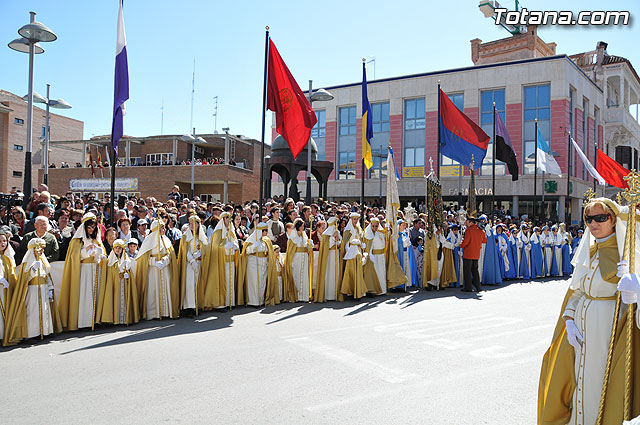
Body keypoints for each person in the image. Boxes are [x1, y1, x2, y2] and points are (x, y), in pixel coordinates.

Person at [538, 198, 640, 424]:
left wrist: (635, 288)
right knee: (577, 379)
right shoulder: (591, 251)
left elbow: (632, 298)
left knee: (596, 381)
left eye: (600, 218)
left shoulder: (628, 253)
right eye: (589, 219)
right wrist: (569, 318)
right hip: (581, 330)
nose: (594, 223)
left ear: (613, 220)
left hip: (605, 329)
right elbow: (578, 290)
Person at [3, 238, 62, 345]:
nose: (42, 251)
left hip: (43, 288)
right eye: (40, 249)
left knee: (44, 310)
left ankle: (44, 331)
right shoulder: (27, 262)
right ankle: (31, 334)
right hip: (32, 291)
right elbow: (24, 279)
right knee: (33, 311)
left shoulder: (43, 261)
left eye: (43, 249)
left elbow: (47, 276)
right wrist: (33, 270)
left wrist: (50, 288)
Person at [135, 220, 179, 320]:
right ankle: (154, 313)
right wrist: (154, 262)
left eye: (164, 227)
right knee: (153, 289)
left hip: (165, 268)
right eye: (162, 228)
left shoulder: (166, 240)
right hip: (153, 270)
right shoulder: (148, 241)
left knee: (166, 287)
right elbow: (142, 258)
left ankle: (166, 312)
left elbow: (170, 254)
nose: (164, 230)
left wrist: (165, 261)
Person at [236, 222, 279, 307]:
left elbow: (268, 251)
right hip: (253, 263)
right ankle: (253, 301)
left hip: (263, 263)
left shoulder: (266, 240)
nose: (266, 232)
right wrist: (253, 247)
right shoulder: (251, 240)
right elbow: (247, 251)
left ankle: (261, 300)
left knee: (262, 282)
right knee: (254, 282)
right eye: (265, 230)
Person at [204, 211, 239, 309]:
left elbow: (235, 240)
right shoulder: (217, 232)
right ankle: (221, 303)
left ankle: (229, 302)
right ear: (223, 220)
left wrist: (235, 245)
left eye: (230, 218)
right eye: (227, 218)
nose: (229, 220)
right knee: (223, 281)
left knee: (230, 280)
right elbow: (215, 247)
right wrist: (224, 247)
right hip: (221, 261)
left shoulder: (231, 231)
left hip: (231, 261)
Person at [102, 239, 139, 325]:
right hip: (115, 284)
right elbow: (112, 271)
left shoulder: (126, 258)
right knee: (116, 298)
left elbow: (128, 267)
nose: (117, 250)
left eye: (119, 248)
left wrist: (126, 272)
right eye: (116, 248)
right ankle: (116, 319)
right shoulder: (110, 260)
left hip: (124, 283)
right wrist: (120, 268)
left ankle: (126, 318)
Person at [178, 215, 209, 316]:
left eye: (193, 224)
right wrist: (191, 260)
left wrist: (200, 253)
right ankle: (189, 307)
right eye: (190, 223)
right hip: (190, 264)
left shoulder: (202, 236)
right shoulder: (186, 236)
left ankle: (197, 305)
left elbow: (205, 247)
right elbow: (184, 249)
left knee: (198, 284)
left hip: (199, 262)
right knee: (190, 284)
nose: (191, 226)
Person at [283, 218, 313, 302]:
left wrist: (310, 244)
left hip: (304, 257)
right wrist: (291, 261)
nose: (303, 228)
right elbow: (290, 250)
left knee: (304, 276)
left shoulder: (304, 235)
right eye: (301, 226)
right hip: (296, 258)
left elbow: (308, 248)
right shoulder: (292, 238)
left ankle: (304, 296)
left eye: (303, 226)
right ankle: (297, 295)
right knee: (296, 275)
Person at [314, 217, 343, 302]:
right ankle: (328, 294)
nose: (337, 225)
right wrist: (333, 238)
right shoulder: (326, 234)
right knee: (329, 273)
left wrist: (338, 240)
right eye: (335, 224)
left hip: (336, 254)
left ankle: (335, 294)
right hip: (329, 256)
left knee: (336, 273)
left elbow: (340, 242)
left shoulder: (337, 232)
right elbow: (328, 245)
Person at [460, 215, 486, 293]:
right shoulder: (481, 230)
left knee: (467, 271)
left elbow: (466, 242)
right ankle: (478, 286)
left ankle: (468, 287)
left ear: (470, 222)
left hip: (468, 253)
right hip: (476, 253)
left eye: (467, 221)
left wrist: (461, 244)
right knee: (475, 270)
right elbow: (484, 240)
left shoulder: (469, 230)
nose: (465, 223)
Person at [0, 229, 16, 345]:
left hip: (5, 289)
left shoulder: (6, 257)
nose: (3, 243)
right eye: (0, 241)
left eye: (4, 241)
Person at [363, 217, 385, 295]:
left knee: (381, 272)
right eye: (373, 226)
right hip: (373, 256)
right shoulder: (367, 234)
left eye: (376, 226)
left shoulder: (381, 233)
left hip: (381, 255)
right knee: (375, 273)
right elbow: (368, 246)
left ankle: (382, 289)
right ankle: (374, 289)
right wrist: (369, 254)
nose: (375, 228)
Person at [397, 219, 420, 289]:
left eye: (405, 225)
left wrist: (408, 243)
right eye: (403, 225)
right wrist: (404, 243)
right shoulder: (396, 235)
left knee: (406, 269)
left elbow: (409, 245)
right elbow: (397, 244)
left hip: (406, 253)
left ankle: (406, 283)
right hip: (400, 254)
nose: (404, 227)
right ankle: (400, 285)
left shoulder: (405, 234)